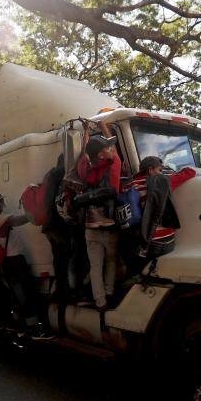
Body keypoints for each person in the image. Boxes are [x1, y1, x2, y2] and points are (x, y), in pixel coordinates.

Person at [0, 189, 54, 340]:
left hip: (7, 263)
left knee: (17, 295)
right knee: (24, 295)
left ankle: (20, 327)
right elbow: (24, 219)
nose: (1, 204)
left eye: (0, 201)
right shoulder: (1, 221)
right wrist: (41, 208)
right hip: (14, 262)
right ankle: (33, 330)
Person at [77, 131, 122, 311]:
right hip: (109, 225)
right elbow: (114, 189)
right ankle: (109, 293)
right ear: (101, 154)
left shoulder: (86, 170)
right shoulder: (114, 165)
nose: (112, 149)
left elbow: (84, 155)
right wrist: (104, 127)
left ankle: (100, 302)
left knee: (95, 266)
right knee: (111, 261)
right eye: (108, 147)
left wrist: (86, 136)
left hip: (90, 226)